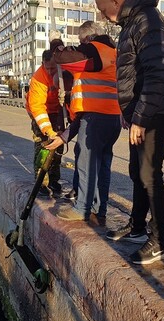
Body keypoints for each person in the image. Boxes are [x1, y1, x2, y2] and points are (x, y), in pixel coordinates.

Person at [95, 0, 164, 264]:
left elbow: (157, 74)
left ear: (115, 2)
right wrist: (128, 113)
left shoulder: (148, 20)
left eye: (101, 7)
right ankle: (137, 227)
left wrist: (140, 119)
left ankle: (159, 242)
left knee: (150, 175)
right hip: (142, 112)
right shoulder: (132, 22)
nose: (101, 14)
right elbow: (133, 73)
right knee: (137, 171)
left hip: (156, 112)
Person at [46, 21, 121, 226]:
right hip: (112, 118)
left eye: (81, 41)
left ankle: (82, 209)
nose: (80, 46)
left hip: (95, 117)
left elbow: (61, 58)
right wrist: (64, 136)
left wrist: (55, 41)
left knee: (86, 165)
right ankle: (99, 211)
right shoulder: (114, 53)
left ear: (88, 38)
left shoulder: (94, 49)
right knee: (103, 166)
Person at [26, 47, 65, 197]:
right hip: (39, 113)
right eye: (47, 68)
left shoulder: (62, 73)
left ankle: (54, 180)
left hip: (57, 112)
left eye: (53, 68)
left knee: (58, 149)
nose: (50, 72)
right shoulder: (38, 79)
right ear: (42, 63)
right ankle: (41, 182)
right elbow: (37, 108)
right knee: (43, 147)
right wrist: (48, 131)